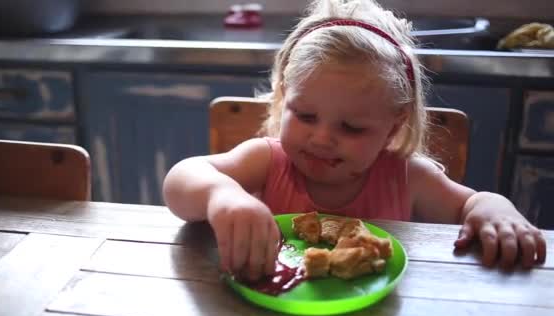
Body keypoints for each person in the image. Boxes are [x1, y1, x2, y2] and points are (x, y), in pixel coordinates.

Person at [163, 0, 547, 281]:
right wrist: (223, 196)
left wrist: (497, 209)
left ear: (393, 127)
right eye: (305, 115)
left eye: (352, 128)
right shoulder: (269, 161)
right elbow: (182, 178)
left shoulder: (406, 176)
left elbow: (472, 203)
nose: (322, 138)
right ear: (284, 98)